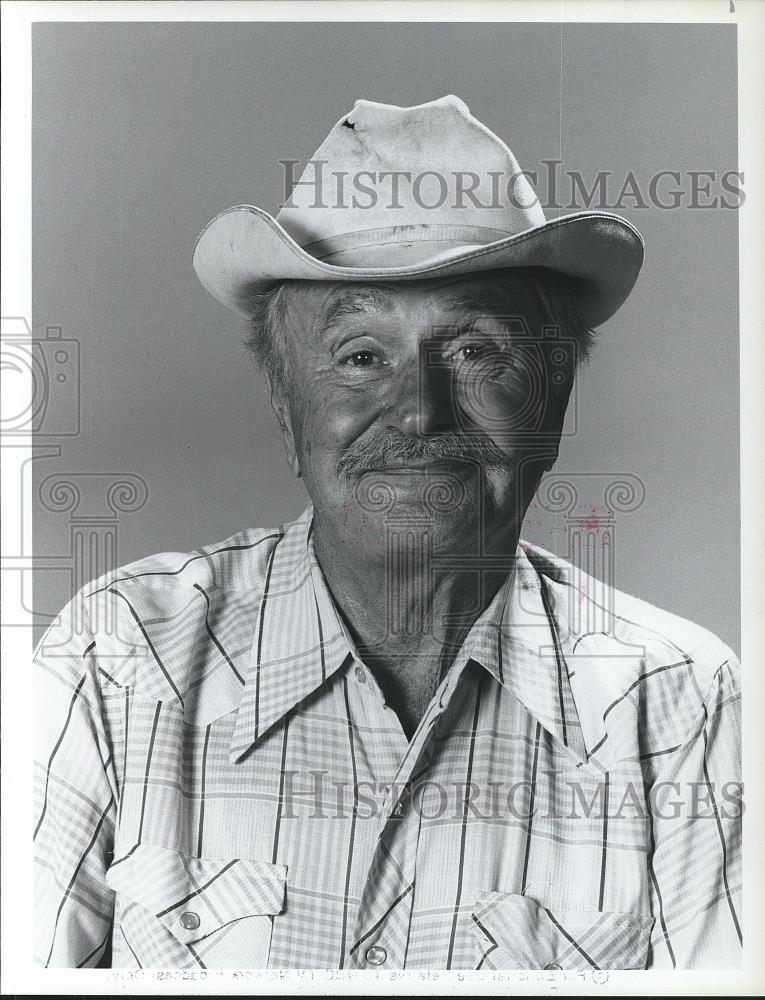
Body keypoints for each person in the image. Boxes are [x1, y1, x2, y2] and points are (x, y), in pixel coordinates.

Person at [34, 95, 741, 970]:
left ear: (553, 404)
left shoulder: (677, 707)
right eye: (361, 356)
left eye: (478, 350)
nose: (416, 412)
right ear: (286, 410)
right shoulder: (116, 662)